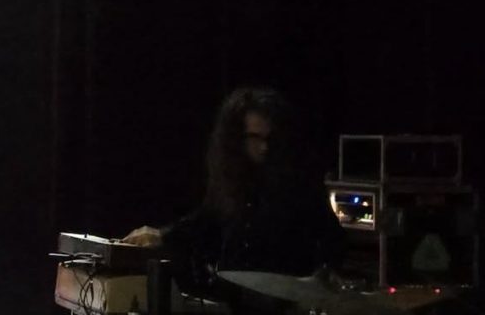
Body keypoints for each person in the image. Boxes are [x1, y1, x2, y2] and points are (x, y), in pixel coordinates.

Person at [124, 87, 338, 292]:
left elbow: (331, 236)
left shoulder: (298, 180)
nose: (264, 147)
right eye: (254, 137)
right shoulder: (231, 177)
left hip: (283, 299)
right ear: (236, 138)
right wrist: (164, 235)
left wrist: (323, 274)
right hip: (236, 296)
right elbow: (209, 219)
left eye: (269, 138)